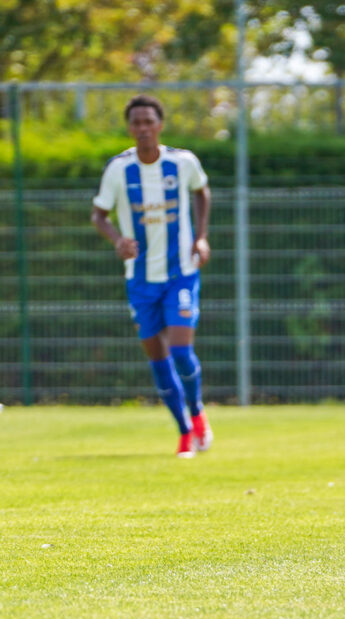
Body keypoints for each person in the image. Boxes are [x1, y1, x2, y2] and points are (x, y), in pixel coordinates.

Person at [91, 94, 214, 459]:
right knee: (156, 357)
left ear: (160, 125)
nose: (143, 129)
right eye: (136, 123)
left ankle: (197, 414)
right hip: (141, 279)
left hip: (181, 273)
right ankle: (183, 432)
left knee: (180, 349)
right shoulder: (119, 169)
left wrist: (201, 236)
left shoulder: (183, 162)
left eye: (149, 122)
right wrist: (118, 240)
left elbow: (202, 192)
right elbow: (98, 215)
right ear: (129, 128)